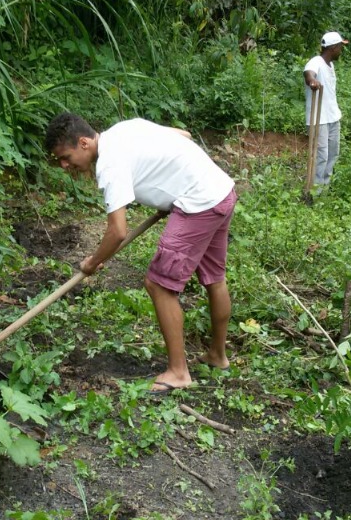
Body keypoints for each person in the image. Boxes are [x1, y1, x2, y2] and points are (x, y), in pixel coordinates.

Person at [44, 113, 237, 394]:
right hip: (221, 192)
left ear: (84, 143)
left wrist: (93, 262)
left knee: (159, 284)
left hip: (199, 203)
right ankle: (218, 357)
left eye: (65, 156)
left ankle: (178, 373)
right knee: (214, 279)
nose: (63, 165)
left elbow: (117, 231)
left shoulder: (110, 164)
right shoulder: (125, 129)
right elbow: (183, 135)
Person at [303, 31, 349, 188]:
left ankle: (324, 188)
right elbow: (309, 72)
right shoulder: (316, 61)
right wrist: (312, 81)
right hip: (319, 118)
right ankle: (313, 190)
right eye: (340, 47)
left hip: (333, 117)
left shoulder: (330, 65)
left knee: (332, 154)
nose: (341, 51)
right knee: (321, 155)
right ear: (333, 48)